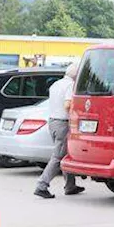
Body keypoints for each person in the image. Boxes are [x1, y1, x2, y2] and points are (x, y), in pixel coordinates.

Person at [35, 63, 83, 199]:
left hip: (53, 122)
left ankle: (70, 186)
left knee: (66, 154)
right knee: (58, 156)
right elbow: (67, 105)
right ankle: (42, 185)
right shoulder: (70, 85)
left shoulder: (56, 84)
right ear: (76, 75)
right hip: (63, 123)